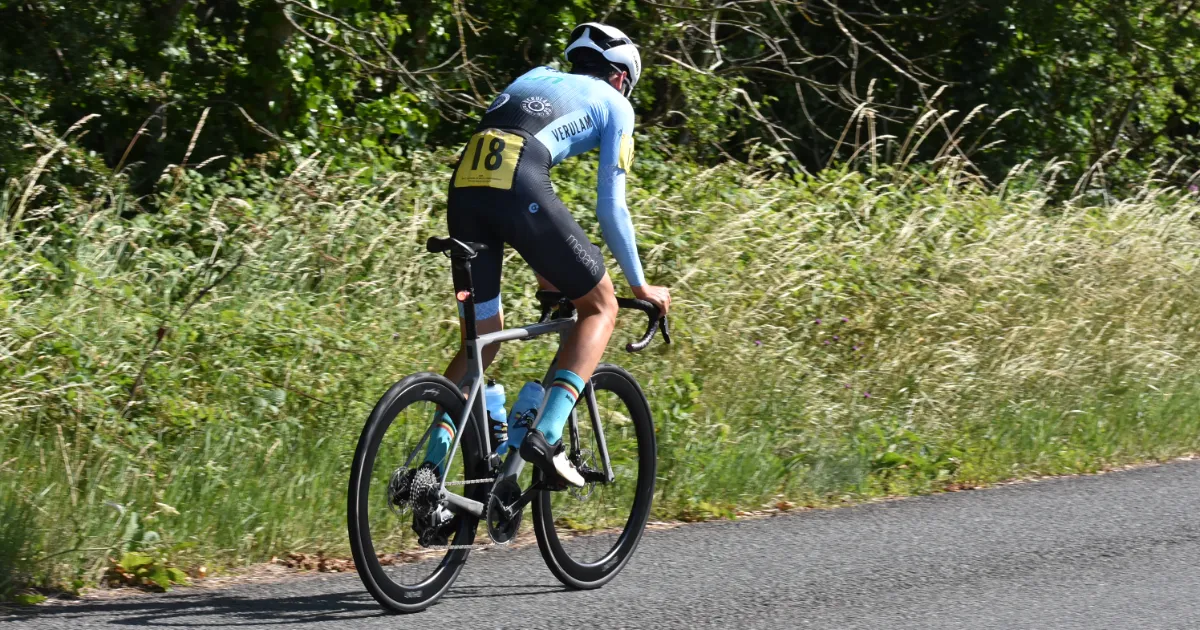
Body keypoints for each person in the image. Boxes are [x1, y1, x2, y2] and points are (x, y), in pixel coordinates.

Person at [421, 22, 671, 491]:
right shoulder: (616, 103)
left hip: (464, 191)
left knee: (484, 339)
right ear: (621, 77)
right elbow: (610, 205)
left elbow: (510, 189)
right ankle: (546, 435)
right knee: (601, 307)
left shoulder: (532, 76)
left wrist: (550, 272)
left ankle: (430, 471)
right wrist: (640, 285)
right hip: (520, 184)